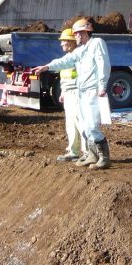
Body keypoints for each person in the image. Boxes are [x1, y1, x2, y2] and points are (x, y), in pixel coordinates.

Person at [32, 18, 112, 169]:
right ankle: (92, 155)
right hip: (81, 92)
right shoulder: (80, 51)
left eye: (76, 34)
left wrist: (102, 85)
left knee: (91, 126)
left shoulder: (97, 43)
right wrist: (47, 67)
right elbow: (66, 61)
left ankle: (104, 158)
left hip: (93, 91)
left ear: (84, 32)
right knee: (84, 126)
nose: (75, 37)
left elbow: (103, 64)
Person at [56, 28, 86, 162]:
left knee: (81, 123)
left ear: (72, 42)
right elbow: (64, 77)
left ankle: (87, 153)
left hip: (77, 93)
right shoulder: (67, 58)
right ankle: (73, 151)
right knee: (71, 124)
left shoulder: (78, 57)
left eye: (64, 41)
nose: (61, 44)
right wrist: (63, 92)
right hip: (69, 93)